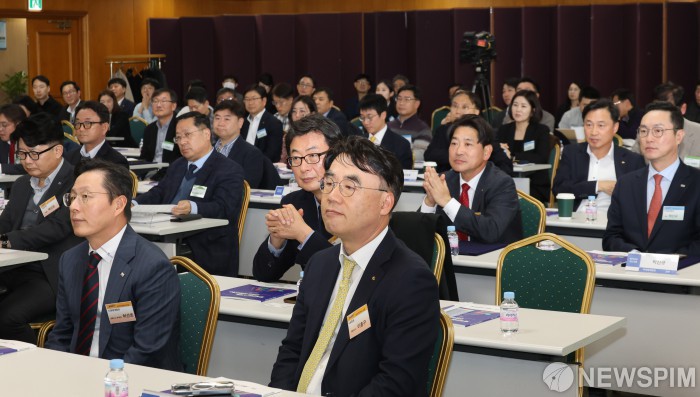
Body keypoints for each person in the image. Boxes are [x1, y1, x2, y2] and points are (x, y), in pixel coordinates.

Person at [269, 136, 440, 396]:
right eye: (329, 183)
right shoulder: (320, 264)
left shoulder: (411, 281)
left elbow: (395, 383)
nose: (332, 197)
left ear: (386, 203)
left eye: (349, 187)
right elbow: (292, 351)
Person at [46, 159, 181, 370]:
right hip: (75, 373)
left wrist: (105, 381)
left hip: (126, 378)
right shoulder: (70, 259)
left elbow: (147, 351)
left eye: (85, 197)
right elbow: (62, 333)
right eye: (72, 197)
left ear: (118, 204)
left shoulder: (152, 267)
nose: (73, 206)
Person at [0, 113, 82, 344]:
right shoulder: (22, 184)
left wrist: (6, 241)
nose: (27, 160)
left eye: (34, 154)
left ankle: (31, 365)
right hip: (14, 268)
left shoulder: (76, 181)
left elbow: (57, 227)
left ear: (57, 151)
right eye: (22, 154)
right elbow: (5, 223)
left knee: (7, 318)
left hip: (50, 273)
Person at [134, 112, 245, 276]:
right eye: (178, 137)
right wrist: (134, 203)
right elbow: (159, 192)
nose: (182, 142)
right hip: (165, 235)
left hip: (204, 246)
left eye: (187, 135)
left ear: (206, 134)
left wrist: (192, 207)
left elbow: (224, 208)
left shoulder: (228, 169)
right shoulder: (178, 165)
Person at [252, 114, 341, 282]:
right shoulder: (294, 203)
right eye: (296, 158)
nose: (304, 167)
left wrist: (302, 233)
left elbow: (346, 272)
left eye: (313, 156)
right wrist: (277, 239)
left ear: (335, 155)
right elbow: (264, 274)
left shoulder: (357, 200)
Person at [604, 102, 700, 255]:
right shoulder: (626, 184)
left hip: (681, 273)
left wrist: (669, 261)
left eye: (658, 131)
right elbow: (611, 237)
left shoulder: (696, 183)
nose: (649, 138)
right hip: (632, 271)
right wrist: (634, 254)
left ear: (679, 136)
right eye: (643, 131)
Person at [421, 115, 522, 244]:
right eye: (454, 143)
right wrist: (430, 202)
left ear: (486, 152)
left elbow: (491, 231)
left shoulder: (502, 184)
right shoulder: (445, 180)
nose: (459, 151)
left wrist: (447, 202)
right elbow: (422, 232)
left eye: (468, 144)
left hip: (493, 260)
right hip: (451, 260)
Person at [553, 99, 645, 212]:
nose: (593, 132)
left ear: (615, 127)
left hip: (615, 223)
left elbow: (639, 196)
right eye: (589, 125)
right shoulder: (571, 153)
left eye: (601, 125)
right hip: (577, 220)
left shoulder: (633, 160)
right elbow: (559, 189)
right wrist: (597, 186)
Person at [424, 90, 513, 175]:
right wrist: (462, 158)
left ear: (476, 111)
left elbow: (504, 164)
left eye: (464, 107)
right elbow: (430, 154)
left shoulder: (485, 132)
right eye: (455, 106)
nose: (458, 111)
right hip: (447, 181)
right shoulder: (443, 130)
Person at [497, 90, 551, 203]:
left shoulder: (541, 130)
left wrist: (512, 155)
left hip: (534, 183)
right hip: (507, 179)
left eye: (523, 106)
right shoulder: (504, 129)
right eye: (515, 105)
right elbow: (496, 153)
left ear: (533, 110)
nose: (518, 109)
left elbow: (541, 157)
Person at [212, 100, 281, 190]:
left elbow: (246, 188)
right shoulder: (207, 150)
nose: (220, 123)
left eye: (227, 119)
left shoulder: (252, 154)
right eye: (217, 118)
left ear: (240, 122)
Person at [631, 82, 700, 164]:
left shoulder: (697, 132)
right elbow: (632, 162)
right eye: (656, 107)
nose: (660, 114)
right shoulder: (645, 132)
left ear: (683, 108)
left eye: (666, 109)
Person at [64, 101, 130, 169]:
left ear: (104, 128)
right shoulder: (69, 157)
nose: (81, 128)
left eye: (88, 123)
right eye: (77, 123)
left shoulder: (116, 162)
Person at [359, 93, 412, 169]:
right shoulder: (358, 142)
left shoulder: (401, 145)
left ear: (383, 115)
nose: (366, 122)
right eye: (362, 117)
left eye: (369, 117)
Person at [388, 85, 432, 162]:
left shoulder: (423, 129)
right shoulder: (388, 126)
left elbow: (420, 155)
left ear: (417, 104)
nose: (401, 103)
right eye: (399, 98)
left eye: (407, 99)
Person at [138, 88, 182, 166]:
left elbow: (180, 159)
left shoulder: (180, 127)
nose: (158, 105)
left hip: (171, 171)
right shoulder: (149, 129)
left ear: (173, 106)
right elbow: (144, 157)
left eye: (163, 101)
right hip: (150, 170)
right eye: (155, 101)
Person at [241, 85, 284, 162]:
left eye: (254, 99)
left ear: (264, 101)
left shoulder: (274, 123)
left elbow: (271, 153)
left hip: (263, 166)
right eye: (247, 99)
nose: (250, 103)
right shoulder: (242, 122)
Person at [0, 104, 28, 174]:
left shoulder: (29, 142)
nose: (0, 129)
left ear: (18, 124)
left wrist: (1, 168)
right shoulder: (1, 142)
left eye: (4, 125)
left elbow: (27, 167)